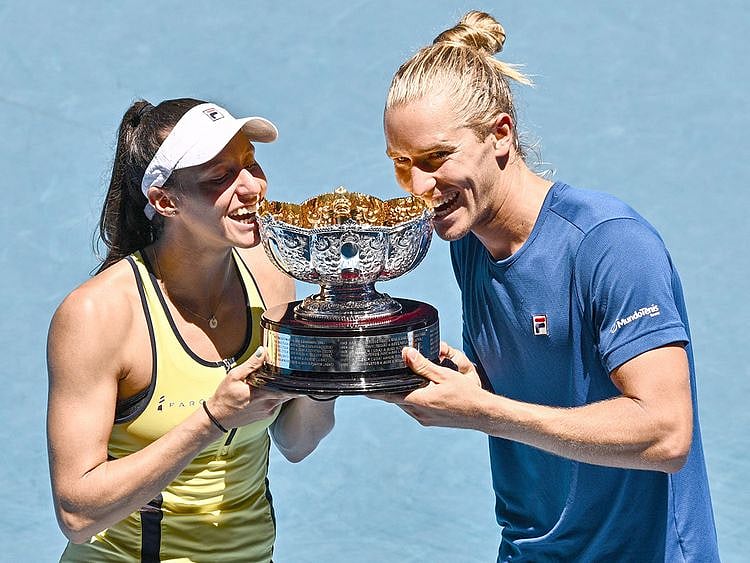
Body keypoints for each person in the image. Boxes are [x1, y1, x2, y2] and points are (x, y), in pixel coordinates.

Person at [379, 11, 719, 562]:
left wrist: (483, 411)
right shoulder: (468, 240)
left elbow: (666, 433)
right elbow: (549, 373)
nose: (418, 186)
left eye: (436, 158)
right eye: (401, 164)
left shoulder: (610, 245)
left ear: (501, 136)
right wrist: (475, 382)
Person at [46, 98, 336, 562]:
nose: (251, 188)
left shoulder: (273, 277)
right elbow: (78, 516)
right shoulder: (97, 315)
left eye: (250, 164)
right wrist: (212, 420)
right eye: (219, 178)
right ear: (164, 201)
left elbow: (297, 443)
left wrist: (323, 374)